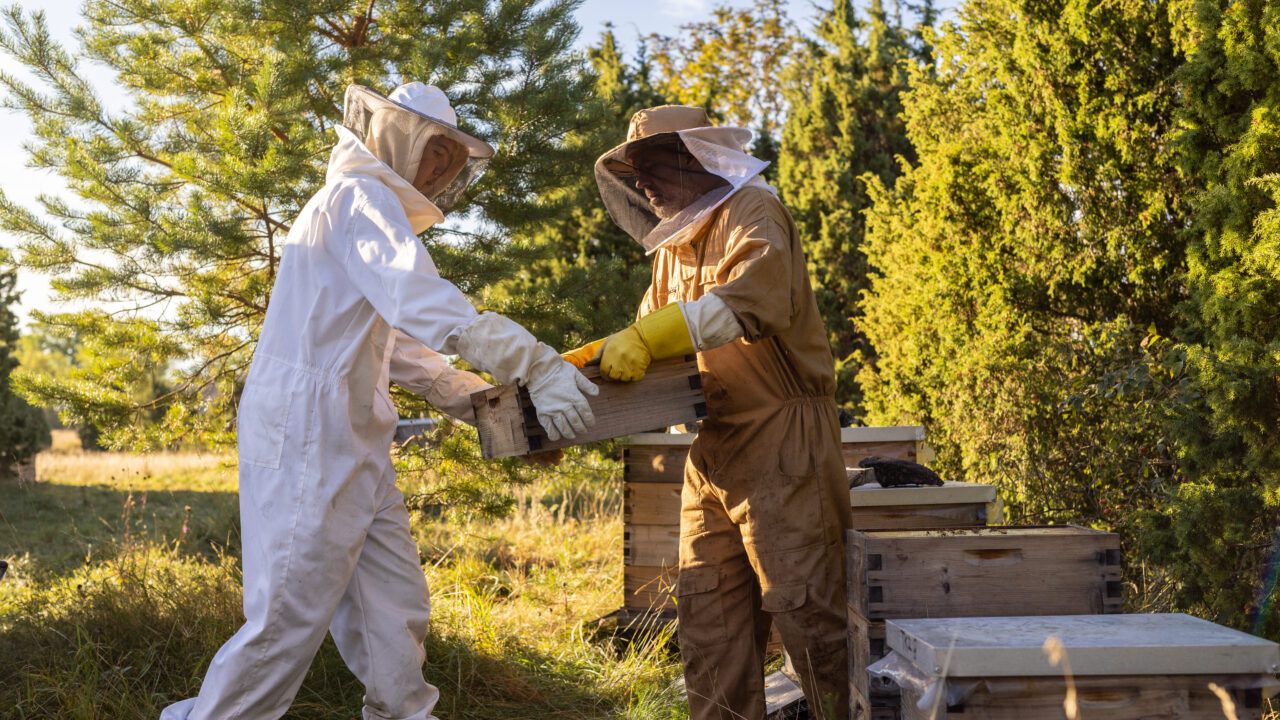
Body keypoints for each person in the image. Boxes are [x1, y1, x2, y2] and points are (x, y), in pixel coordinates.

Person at [162, 82, 597, 720]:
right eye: (435, 150)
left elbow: (402, 353)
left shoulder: (366, 210)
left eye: (451, 158)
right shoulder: (358, 197)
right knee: (287, 616)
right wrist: (537, 363)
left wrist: (489, 406)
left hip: (355, 432)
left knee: (393, 608)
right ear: (394, 134)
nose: (441, 167)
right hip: (308, 432)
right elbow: (421, 301)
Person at [564, 105, 853, 720]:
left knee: (808, 617)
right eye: (632, 171)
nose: (641, 183)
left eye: (650, 166)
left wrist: (644, 340)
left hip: (784, 441)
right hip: (711, 450)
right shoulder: (672, 247)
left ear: (697, 158)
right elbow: (647, 347)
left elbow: (747, 302)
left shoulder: (753, 211)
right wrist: (579, 373)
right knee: (708, 621)